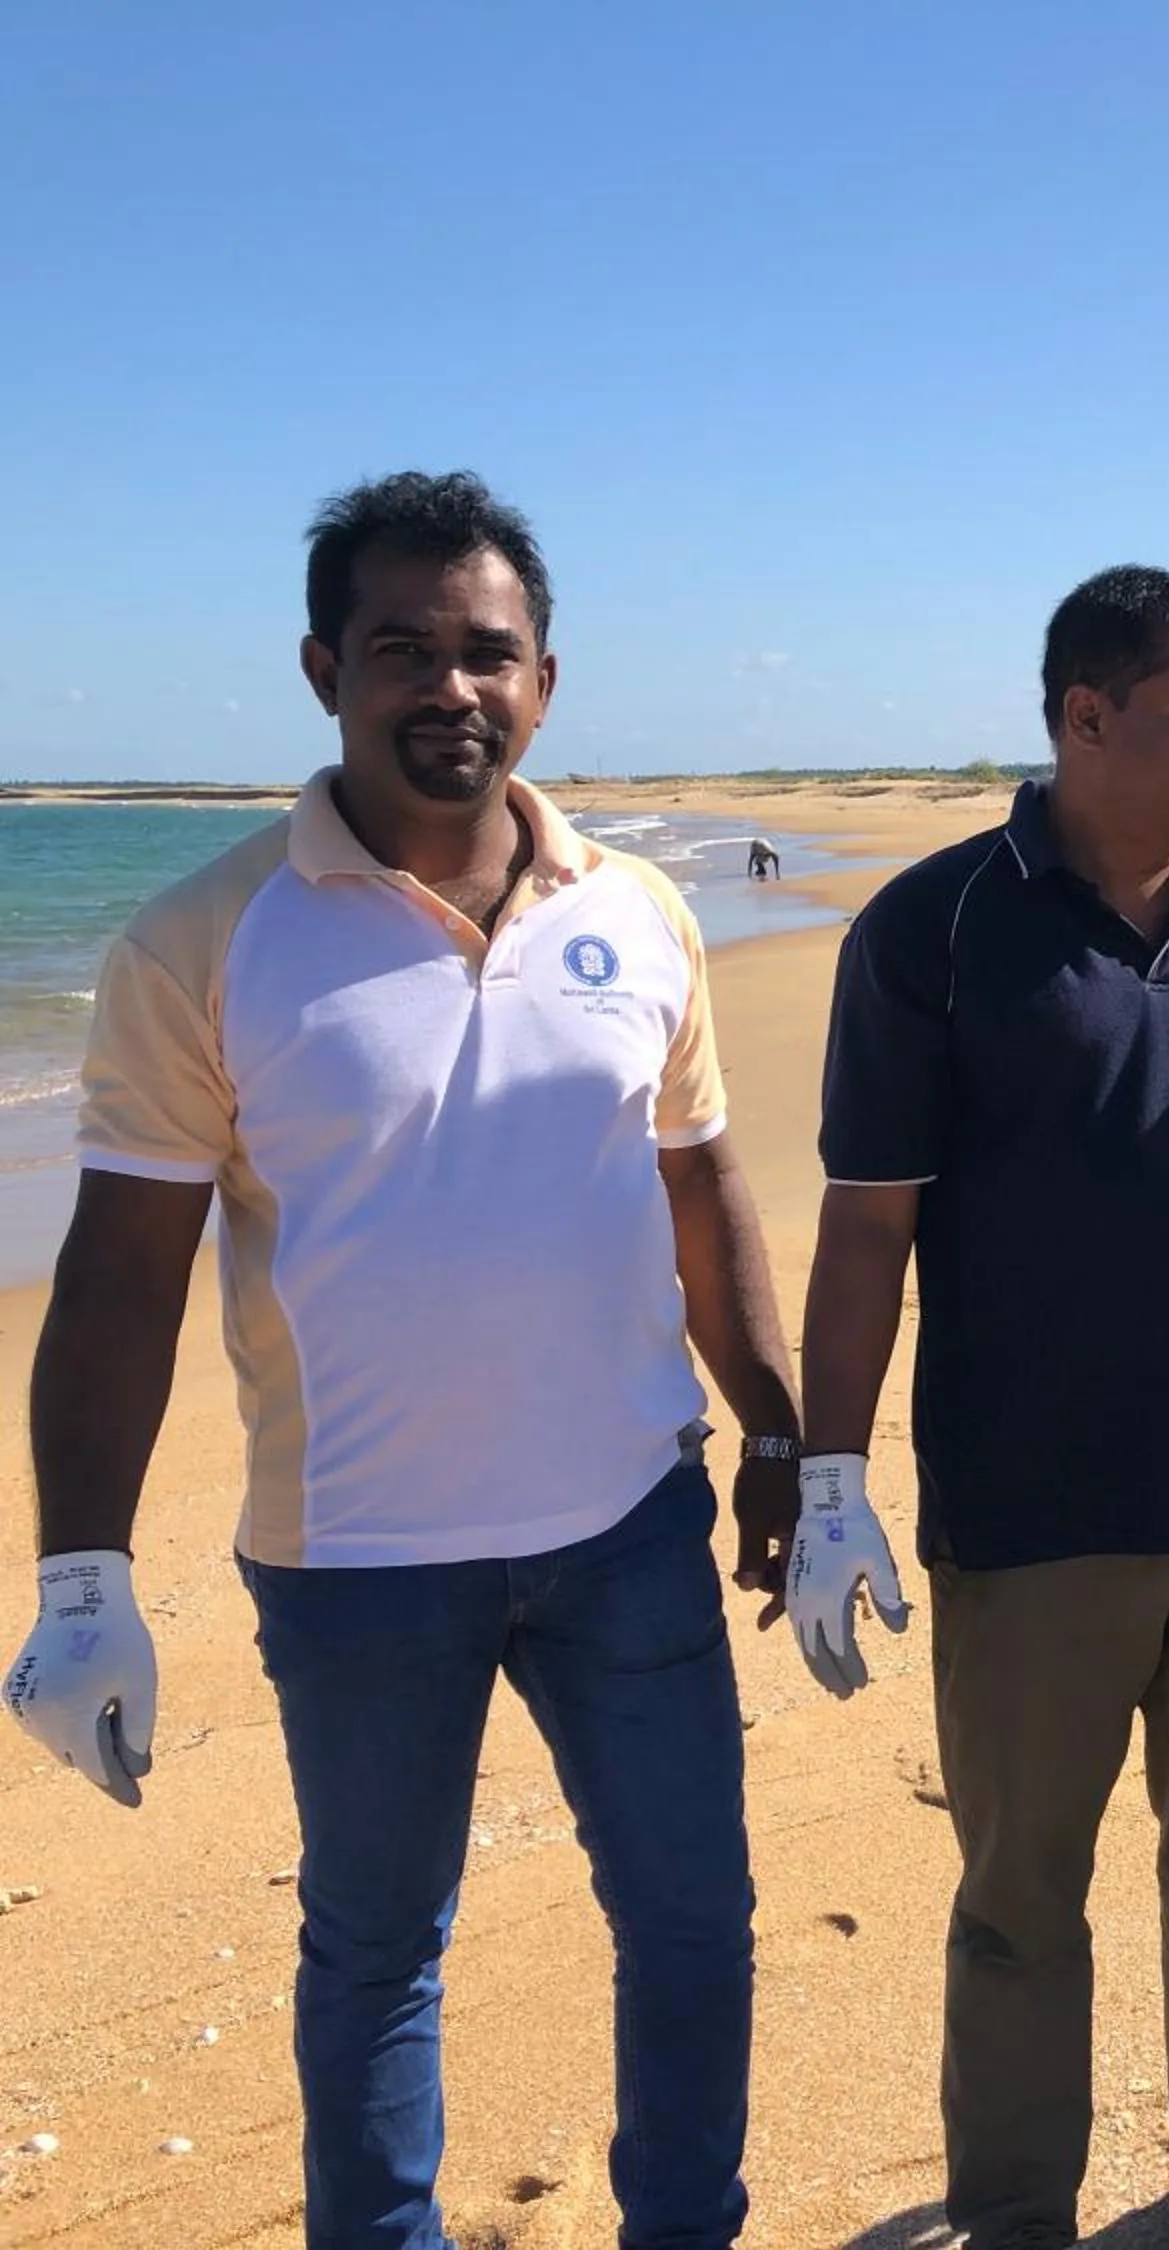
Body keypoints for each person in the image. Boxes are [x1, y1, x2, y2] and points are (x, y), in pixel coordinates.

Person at [3, 471, 799, 2248]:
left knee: (691, 1917)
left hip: (627, 1531)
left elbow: (704, 1189)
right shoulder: (204, 941)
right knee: (376, 1950)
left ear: (545, 681)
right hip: (357, 1564)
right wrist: (79, 1574)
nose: (452, 687)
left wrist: (790, 1449)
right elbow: (122, 1276)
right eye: (403, 650)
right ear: (322, 670)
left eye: (487, 653)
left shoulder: (638, 914)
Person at [794, 566, 1169, 2250]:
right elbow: (866, 1221)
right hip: (1034, 1506)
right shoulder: (935, 931)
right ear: (1082, 718)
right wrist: (828, 1472)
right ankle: (1015, 2217)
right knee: (1020, 1897)